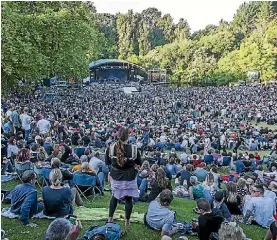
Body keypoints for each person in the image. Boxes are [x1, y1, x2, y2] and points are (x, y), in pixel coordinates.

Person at [105, 127, 141, 227]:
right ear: (128, 136)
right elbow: (139, 162)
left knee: (114, 197)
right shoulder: (134, 148)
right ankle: (127, 221)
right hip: (129, 177)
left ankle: (110, 218)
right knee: (128, 199)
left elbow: (107, 162)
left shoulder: (111, 147)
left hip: (116, 176)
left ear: (117, 135)